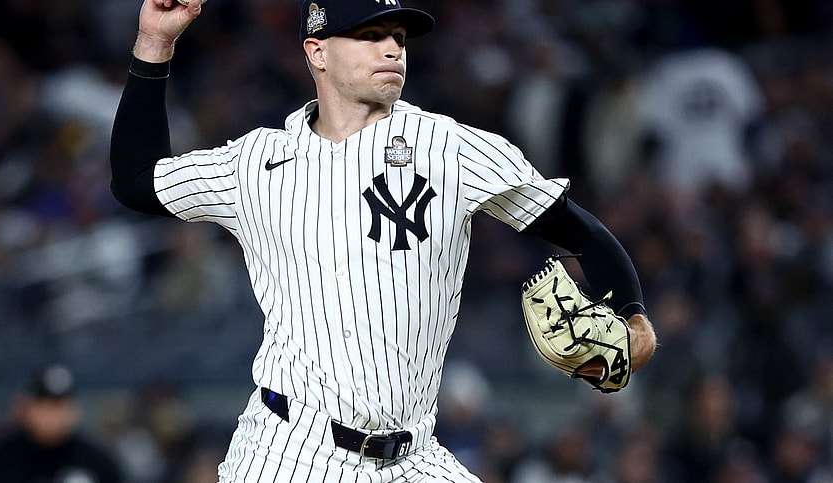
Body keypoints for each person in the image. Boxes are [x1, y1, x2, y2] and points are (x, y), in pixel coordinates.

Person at [109, 0, 658, 481]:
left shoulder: (450, 149)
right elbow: (137, 181)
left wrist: (634, 317)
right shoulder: (257, 163)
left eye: (398, 37)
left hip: (413, 456)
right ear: (317, 52)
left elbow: (579, 231)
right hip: (289, 452)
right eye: (370, 36)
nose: (392, 49)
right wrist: (154, 42)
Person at [0, 364, 123, 483]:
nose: (55, 415)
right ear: (28, 408)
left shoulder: (99, 461)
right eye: (46, 406)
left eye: (61, 405)